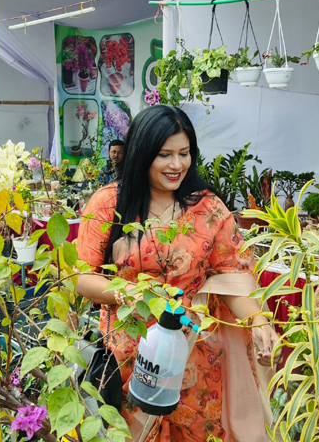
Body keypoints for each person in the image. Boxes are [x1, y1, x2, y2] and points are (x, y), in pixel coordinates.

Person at [74, 105, 277, 442]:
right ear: (141, 153)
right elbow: (82, 278)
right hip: (130, 353)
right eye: (165, 155)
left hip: (196, 353)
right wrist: (137, 294)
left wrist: (259, 322)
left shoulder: (208, 206)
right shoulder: (109, 203)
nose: (177, 165)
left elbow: (233, 275)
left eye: (184, 153)